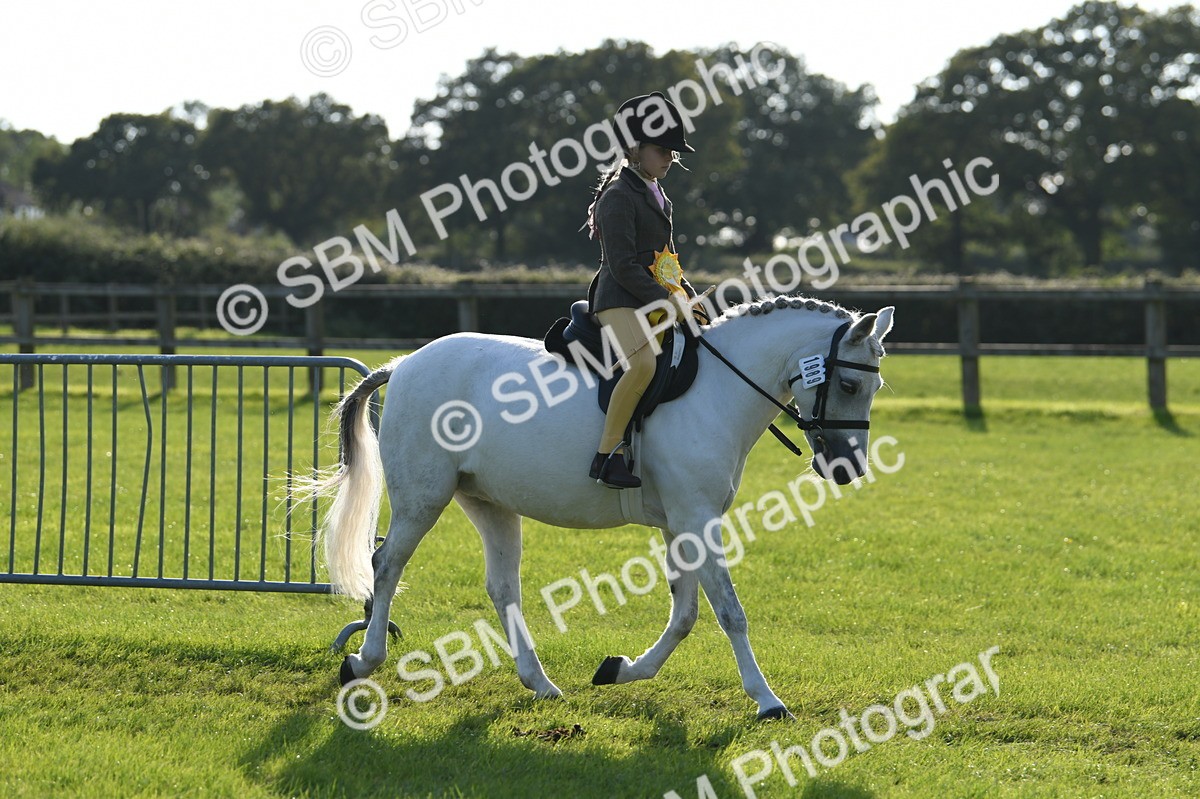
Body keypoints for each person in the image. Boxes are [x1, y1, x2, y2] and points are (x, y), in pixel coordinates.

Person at [583, 91, 700, 489]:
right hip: (618, 299)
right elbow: (623, 266)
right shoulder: (618, 196)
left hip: (651, 298)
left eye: (673, 151)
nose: (670, 158)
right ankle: (607, 456)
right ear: (634, 149)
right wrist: (667, 299)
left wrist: (688, 296)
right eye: (662, 150)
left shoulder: (659, 196)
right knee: (644, 364)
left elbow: (665, 261)